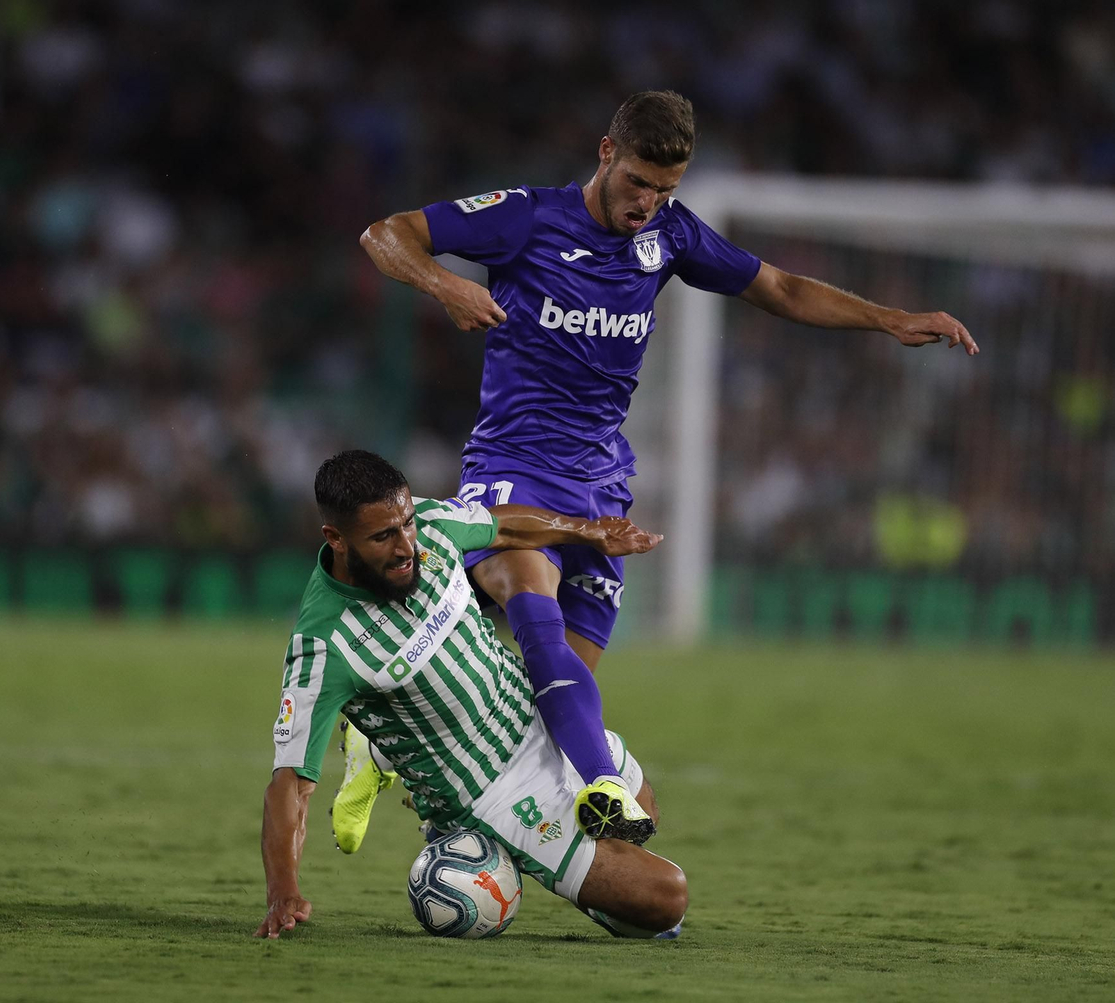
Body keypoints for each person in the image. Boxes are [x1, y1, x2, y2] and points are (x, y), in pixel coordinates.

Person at [348, 89, 979, 851]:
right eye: (639, 182)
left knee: (549, 697)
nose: (648, 203)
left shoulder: (669, 237)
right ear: (607, 153)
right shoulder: (525, 217)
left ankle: (388, 739)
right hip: (513, 463)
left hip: (602, 478)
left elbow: (776, 286)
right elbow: (386, 233)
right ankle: (602, 787)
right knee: (527, 593)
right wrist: (446, 281)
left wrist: (888, 318)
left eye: (666, 189)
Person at [257, 450, 681, 940]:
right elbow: (290, 783)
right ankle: (469, 836)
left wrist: (586, 531)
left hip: (538, 717)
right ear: (336, 539)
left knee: (642, 809)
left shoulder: (428, 524)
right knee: (667, 899)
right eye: (382, 537)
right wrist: (283, 889)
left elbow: (502, 525)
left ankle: (376, 753)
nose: (405, 547)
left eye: (406, 525)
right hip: (492, 793)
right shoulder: (322, 645)